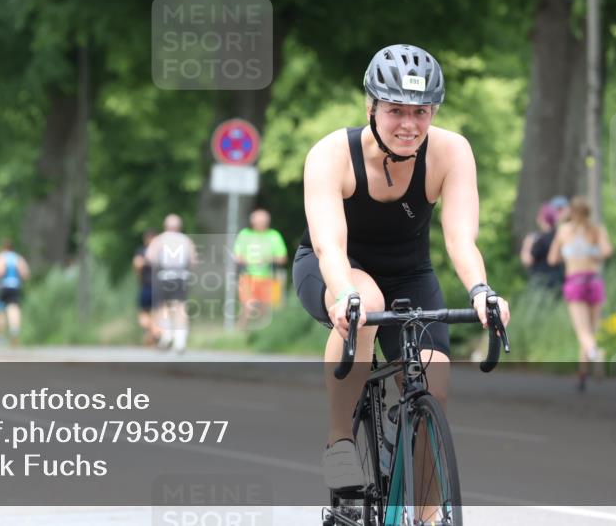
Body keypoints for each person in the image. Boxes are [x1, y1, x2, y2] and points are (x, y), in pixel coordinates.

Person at [291, 44, 510, 515]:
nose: (409, 124)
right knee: (364, 302)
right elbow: (330, 243)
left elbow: (460, 238)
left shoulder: (451, 152)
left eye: (421, 112)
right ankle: (340, 442)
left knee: (434, 382)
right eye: (395, 111)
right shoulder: (332, 154)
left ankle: (427, 517)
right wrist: (344, 292)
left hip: (410, 274)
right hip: (333, 266)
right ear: (370, 106)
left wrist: (480, 291)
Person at [547, 196, 613, 391]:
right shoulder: (597, 230)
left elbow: (552, 259)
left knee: (582, 332)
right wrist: (593, 255)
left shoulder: (564, 231)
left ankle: (595, 355)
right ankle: (583, 374)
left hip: (575, 282)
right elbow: (607, 251)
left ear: (572, 212)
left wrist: (567, 255)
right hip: (594, 280)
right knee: (591, 331)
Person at [146, 214, 197, 353]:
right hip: (181, 276)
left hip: (164, 275)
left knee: (163, 307)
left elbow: (151, 257)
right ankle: (180, 340)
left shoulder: (160, 239)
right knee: (180, 307)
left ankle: (167, 335)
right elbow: (192, 260)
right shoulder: (185, 240)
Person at [233, 208, 288, 328]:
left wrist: (268, 259)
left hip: (269, 277)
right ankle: (240, 331)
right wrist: (252, 261)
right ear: (253, 222)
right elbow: (237, 256)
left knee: (265, 310)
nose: (262, 223)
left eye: (264, 221)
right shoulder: (245, 235)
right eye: (259, 221)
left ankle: (259, 334)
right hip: (248, 276)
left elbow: (283, 258)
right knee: (249, 307)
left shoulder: (274, 235)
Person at [0, 239, 30, 345]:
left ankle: (0, 337)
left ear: (3, 248)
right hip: (15, 286)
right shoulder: (18, 258)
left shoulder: (0, 257)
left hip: (3, 286)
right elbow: (25, 274)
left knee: (0, 312)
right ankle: (14, 330)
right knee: (14, 309)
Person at [519, 203, 563, 292]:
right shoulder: (559, 236)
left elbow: (527, 260)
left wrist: (527, 245)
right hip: (558, 278)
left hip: (542, 280)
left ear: (542, 219)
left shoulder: (540, 239)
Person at [133, 229, 158, 346]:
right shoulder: (142, 251)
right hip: (147, 285)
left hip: (156, 286)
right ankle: (154, 332)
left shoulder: (160, 252)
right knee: (144, 315)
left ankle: (154, 333)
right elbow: (137, 265)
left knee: (153, 314)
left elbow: (137, 265)